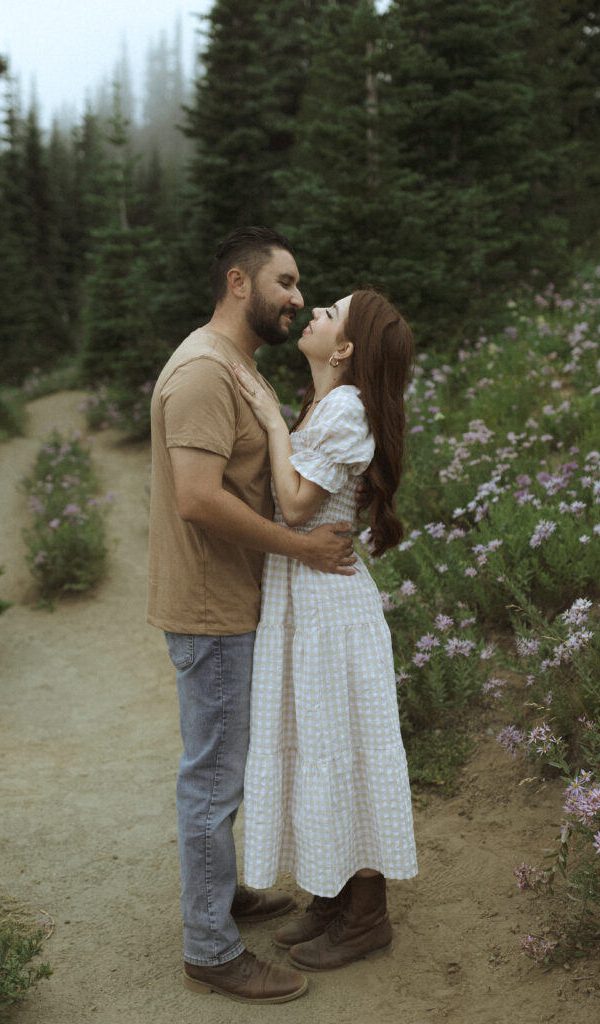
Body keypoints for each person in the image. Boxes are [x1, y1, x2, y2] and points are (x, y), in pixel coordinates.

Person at [147, 227, 356, 1005]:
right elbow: (198, 501)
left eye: (300, 286)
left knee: (222, 768)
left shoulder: (240, 365)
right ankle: (209, 946)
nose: (298, 298)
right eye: (286, 282)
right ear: (239, 283)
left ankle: (222, 894)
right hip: (212, 608)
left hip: (235, 603)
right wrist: (299, 551)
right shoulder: (203, 372)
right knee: (211, 778)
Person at [233, 289, 418, 972]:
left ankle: (367, 913)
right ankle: (334, 894)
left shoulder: (344, 409)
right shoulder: (328, 404)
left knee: (344, 749)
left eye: (329, 314)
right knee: (320, 744)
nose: (312, 312)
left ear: (343, 350)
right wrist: (290, 422)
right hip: (309, 600)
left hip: (328, 608)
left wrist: (274, 428)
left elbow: (293, 505)